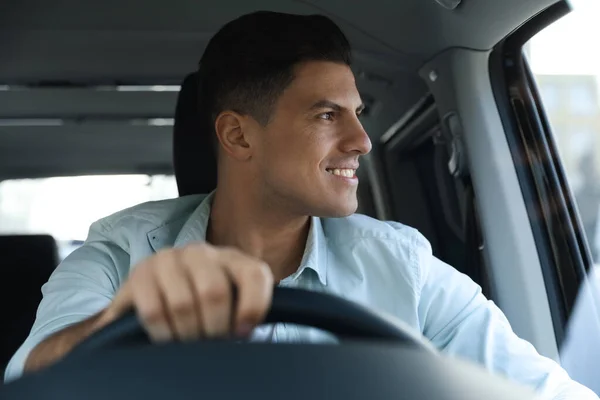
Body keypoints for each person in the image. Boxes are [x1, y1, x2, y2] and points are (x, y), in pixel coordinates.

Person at [4, 10, 597, 399]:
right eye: (325, 115)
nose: (361, 141)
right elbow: (33, 374)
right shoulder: (119, 251)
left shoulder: (404, 268)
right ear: (238, 136)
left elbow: (543, 391)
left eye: (358, 114)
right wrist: (124, 321)